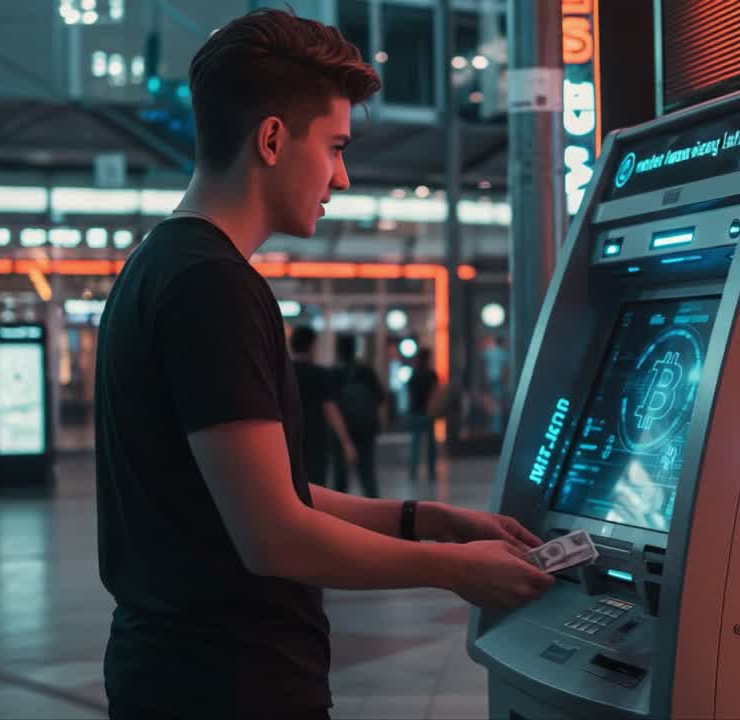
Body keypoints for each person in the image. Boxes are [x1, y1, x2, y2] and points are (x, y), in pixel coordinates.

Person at [93, 10, 553, 719]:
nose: (342, 174)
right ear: (273, 139)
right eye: (335, 146)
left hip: (174, 671)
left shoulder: (158, 266)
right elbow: (274, 535)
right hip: (229, 684)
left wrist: (426, 518)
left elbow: (267, 496)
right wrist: (454, 569)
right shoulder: (214, 286)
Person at [290, 325, 357, 486]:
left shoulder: (283, 373)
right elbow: (330, 409)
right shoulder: (320, 374)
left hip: (287, 437)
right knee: (315, 487)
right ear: (312, 346)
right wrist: (346, 443)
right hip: (315, 439)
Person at [330, 334, 384, 498]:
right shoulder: (366, 371)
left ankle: (339, 514)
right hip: (365, 430)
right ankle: (375, 512)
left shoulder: (334, 373)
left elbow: (330, 405)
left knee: (340, 477)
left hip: (342, 430)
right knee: (367, 474)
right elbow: (380, 397)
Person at [407, 348, 440, 482]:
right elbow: (436, 393)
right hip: (428, 412)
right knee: (431, 444)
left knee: (415, 442)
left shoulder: (414, 375)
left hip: (415, 412)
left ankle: (413, 470)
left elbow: (409, 393)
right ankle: (431, 470)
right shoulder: (431, 375)